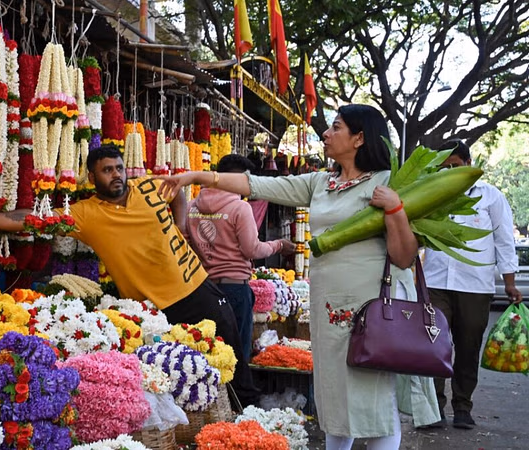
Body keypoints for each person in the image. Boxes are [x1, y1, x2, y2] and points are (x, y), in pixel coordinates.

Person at [157, 104, 441, 450]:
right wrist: (196, 177)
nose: (326, 133)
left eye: (335, 127)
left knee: (374, 400)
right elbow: (255, 184)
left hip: (372, 310)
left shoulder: (387, 182)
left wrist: (395, 208)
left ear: (359, 138)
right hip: (328, 309)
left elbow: (403, 256)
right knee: (334, 395)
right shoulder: (321, 183)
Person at [0, 145, 261, 407]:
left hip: (198, 289)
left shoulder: (148, 186)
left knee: (233, 366)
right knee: (179, 382)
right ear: (91, 177)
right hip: (155, 312)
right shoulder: (86, 214)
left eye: (119, 168)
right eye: (107, 170)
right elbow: (36, 217)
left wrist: (181, 224)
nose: (116, 175)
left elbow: (179, 192)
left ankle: (249, 421)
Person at [423, 139, 523, 430]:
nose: (449, 172)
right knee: (435, 346)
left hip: (475, 286)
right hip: (436, 282)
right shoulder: (432, 196)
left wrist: (510, 283)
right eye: (443, 168)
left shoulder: (490, 196)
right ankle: (434, 410)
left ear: (468, 164)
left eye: (454, 166)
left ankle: (463, 407)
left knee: (468, 349)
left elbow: (504, 241)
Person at [184, 154, 295, 360]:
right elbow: (251, 249)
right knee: (236, 356)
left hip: (203, 289)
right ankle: (239, 392)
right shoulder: (240, 207)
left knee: (207, 352)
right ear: (238, 179)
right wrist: (278, 245)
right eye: (247, 181)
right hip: (234, 288)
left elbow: (185, 245)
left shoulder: (191, 207)